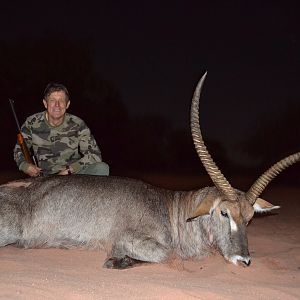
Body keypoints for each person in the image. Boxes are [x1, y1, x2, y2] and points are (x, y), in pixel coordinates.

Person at [14, 83, 109, 177]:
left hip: (73, 174)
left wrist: (70, 169)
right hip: (45, 177)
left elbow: (95, 155)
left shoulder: (78, 124)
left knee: (102, 168)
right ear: (45, 103)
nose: (57, 105)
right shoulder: (31, 122)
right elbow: (19, 150)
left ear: (67, 104)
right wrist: (25, 166)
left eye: (61, 100)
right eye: (52, 100)